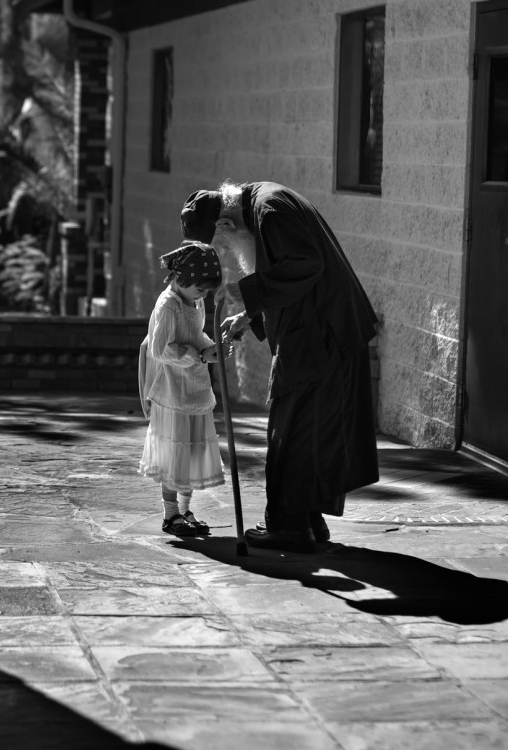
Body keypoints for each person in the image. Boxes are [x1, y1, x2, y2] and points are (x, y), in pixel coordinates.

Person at [181, 181, 379, 552]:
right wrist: (247, 317)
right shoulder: (264, 207)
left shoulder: (270, 211)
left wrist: (248, 290)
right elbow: (291, 277)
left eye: (221, 246)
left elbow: (306, 265)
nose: (225, 254)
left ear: (225, 226)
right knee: (310, 431)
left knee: (291, 431)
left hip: (321, 335)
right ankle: (306, 519)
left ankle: (289, 527)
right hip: (320, 333)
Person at [138, 241, 224, 536]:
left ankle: (186, 510)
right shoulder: (168, 305)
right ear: (182, 278)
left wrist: (212, 348)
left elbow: (194, 333)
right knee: (174, 451)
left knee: (192, 451)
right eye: (201, 288)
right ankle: (171, 514)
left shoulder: (193, 301)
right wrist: (199, 355)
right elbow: (160, 349)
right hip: (173, 391)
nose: (204, 295)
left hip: (194, 386)